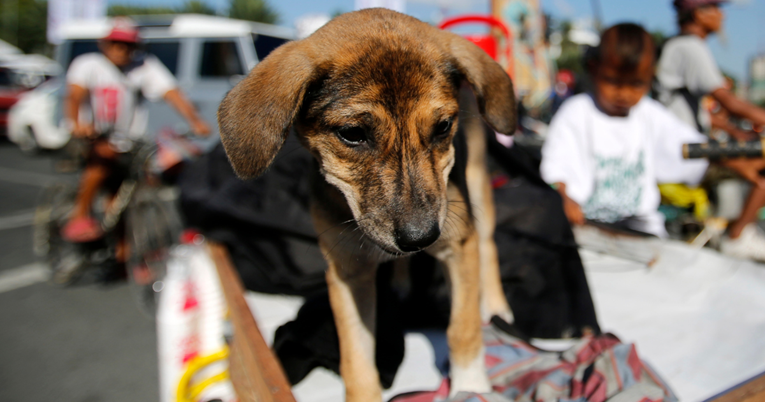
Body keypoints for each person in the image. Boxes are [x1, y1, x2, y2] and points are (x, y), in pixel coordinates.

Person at [540, 23, 709, 239]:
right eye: (613, 81)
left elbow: (693, 150)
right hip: (585, 231)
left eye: (636, 84)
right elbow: (555, 168)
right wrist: (563, 196)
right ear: (593, 69)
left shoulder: (650, 114)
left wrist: (733, 157)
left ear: (651, 76)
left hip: (644, 234)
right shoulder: (575, 112)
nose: (624, 93)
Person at [62, 18, 210, 245]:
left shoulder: (144, 66)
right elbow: (74, 95)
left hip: (129, 141)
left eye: (128, 45)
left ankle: (127, 259)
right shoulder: (88, 64)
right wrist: (77, 123)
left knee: (128, 196)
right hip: (93, 137)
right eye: (116, 44)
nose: (122, 50)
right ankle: (79, 215)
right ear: (105, 44)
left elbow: (173, 93)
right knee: (103, 159)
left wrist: (195, 120)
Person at [657, 0, 765, 259]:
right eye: (716, 8)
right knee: (761, 163)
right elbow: (728, 101)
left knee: (754, 152)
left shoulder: (681, 46)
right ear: (699, 13)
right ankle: (737, 236)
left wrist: (737, 133)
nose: (721, 15)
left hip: (689, 145)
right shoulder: (689, 47)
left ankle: (734, 229)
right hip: (684, 150)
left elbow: (698, 113)